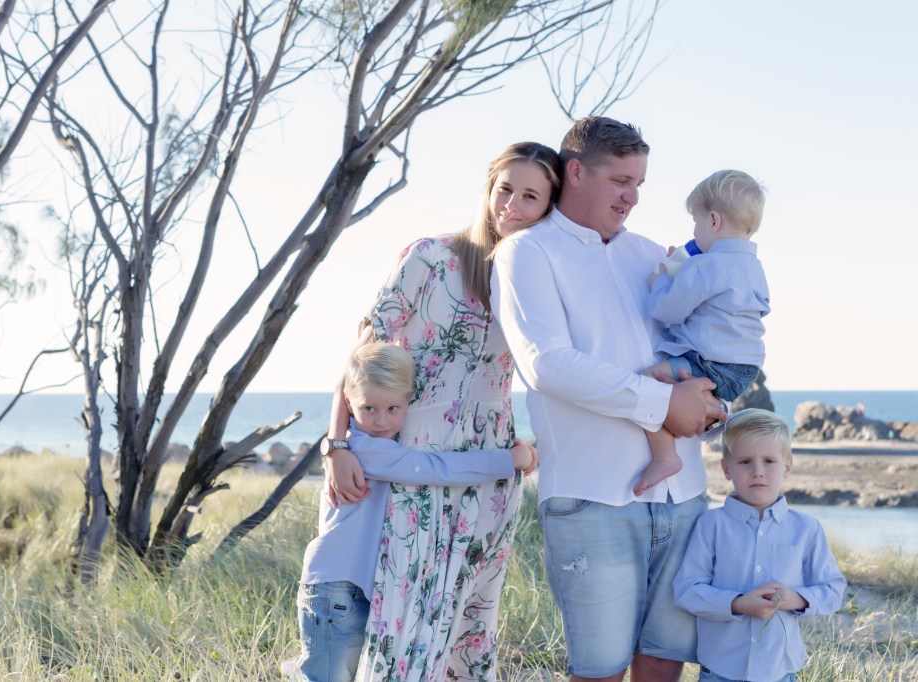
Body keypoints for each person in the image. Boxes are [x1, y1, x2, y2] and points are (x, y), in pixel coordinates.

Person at [491, 116, 725, 682]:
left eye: (639, 183)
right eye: (621, 181)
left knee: (664, 662)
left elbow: (701, 341)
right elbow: (548, 364)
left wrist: (710, 404)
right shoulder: (527, 253)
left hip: (685, 495)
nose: (632, 197)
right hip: (593, 496)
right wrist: (662, 405)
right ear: (576, 172)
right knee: (599, 672)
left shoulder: (651, 254)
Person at [327, 141, 563, 681]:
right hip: (418, 465)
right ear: (488, 188)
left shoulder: (534, 279)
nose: (512, 205)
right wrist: (336, 445)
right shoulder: (431, 257)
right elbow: (359, 359)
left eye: (531, 196)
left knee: (472, 627)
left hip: (492, 470)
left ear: (549, 207)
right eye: (505, 189)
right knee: (406, 628)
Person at [286, 342, 536, 682]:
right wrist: (508, 461)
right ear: (348, 403)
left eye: (393, 408)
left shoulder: (385, 442)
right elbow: (437, 468)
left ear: (409, 401)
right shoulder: (363, 448)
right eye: (368, 408)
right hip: (336, 590)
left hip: (358, 589)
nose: (381, 420)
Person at [673, 408, 846, 682]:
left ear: (787, 466)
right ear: (726, 469)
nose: (757, 472)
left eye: (769, 461)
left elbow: (833, 589)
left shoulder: (806, 528)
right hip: (721, 670)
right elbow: (686, 590)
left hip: (780, 671)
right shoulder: (711, 525)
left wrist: (797, 599)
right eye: (745, 462)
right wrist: (738, 604)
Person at [634, 170, 771, 496]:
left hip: (709, 362)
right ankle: (713, 416)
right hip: (743, 370)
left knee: (647, 381)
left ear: (713, 221)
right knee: (684, 386)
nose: (694, 233)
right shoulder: (755, 268)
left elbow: (665, 310)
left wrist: (662, 280)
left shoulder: (706, 266)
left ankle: (665, 456)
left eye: (695, 222)